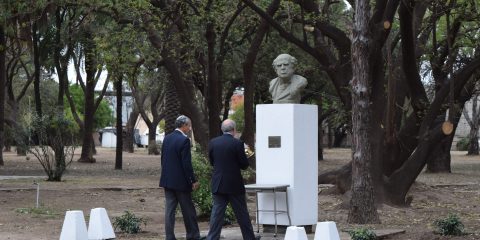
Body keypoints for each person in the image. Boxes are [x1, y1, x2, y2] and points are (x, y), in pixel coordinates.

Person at [206, 119, 259, 240]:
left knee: (216, 214)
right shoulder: (238, 144)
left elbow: (212, 162)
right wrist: (245, 151)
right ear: (234, 130)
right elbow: (244, 165)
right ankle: (249, 237)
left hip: (218, 184)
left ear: (222, 129)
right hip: (234, 185)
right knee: (242, 214)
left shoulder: (213, 142)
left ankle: (212, 238)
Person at [160, 115, 201, 240]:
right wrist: (193, 180)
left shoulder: (167, 138)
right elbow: (186, 164)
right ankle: (193, 235)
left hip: (167, 181)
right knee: (188, 210)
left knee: (169, 211)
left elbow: (163, 160)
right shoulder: (184, 140)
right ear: (184, 126)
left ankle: (169, 237)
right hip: (181, 183)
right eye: (189, 126)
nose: (190, 128)